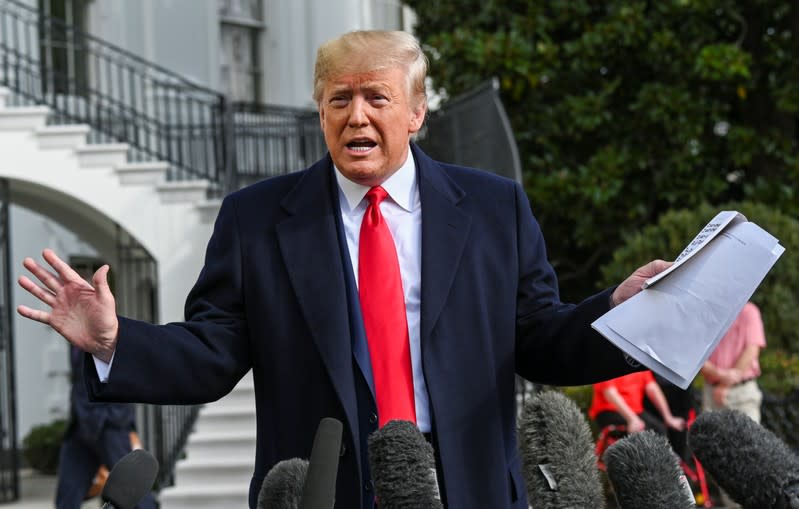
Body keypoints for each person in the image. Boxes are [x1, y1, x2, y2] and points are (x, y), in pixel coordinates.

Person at [17, 30, 671, 509]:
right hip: (322, 486)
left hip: (466, 483)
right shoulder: (258, 219)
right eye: (338, 100)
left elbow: (541, 337)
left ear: (415, 114)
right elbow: (213, 350)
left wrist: (619, 307)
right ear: (320, 112)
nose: (355, 115)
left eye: (375, 98)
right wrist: (113, 340)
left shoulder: (493, 208)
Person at [55, 345, 157, 509]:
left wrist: (113, 416)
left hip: (109, 425)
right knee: (67, 496)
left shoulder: (106, 328)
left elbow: (125, 375)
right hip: (79, 426)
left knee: (132, 489)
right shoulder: (72, 332)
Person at [700, 301, 765, 423]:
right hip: (711, 393)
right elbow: (696, 356)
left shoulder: (749, 311)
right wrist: (720, 375)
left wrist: (724, 385)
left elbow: (752, 350)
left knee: (748, 440)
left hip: (742, 395)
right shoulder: (706, 313)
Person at [589, 370, 686, 436]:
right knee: (646, 432)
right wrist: (632, 419)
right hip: (608, 410)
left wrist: (668, 418)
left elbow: (652, 388)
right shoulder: (608, 359)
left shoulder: (638, 359)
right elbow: (610, 393)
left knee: (659, 429)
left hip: (635, 410)